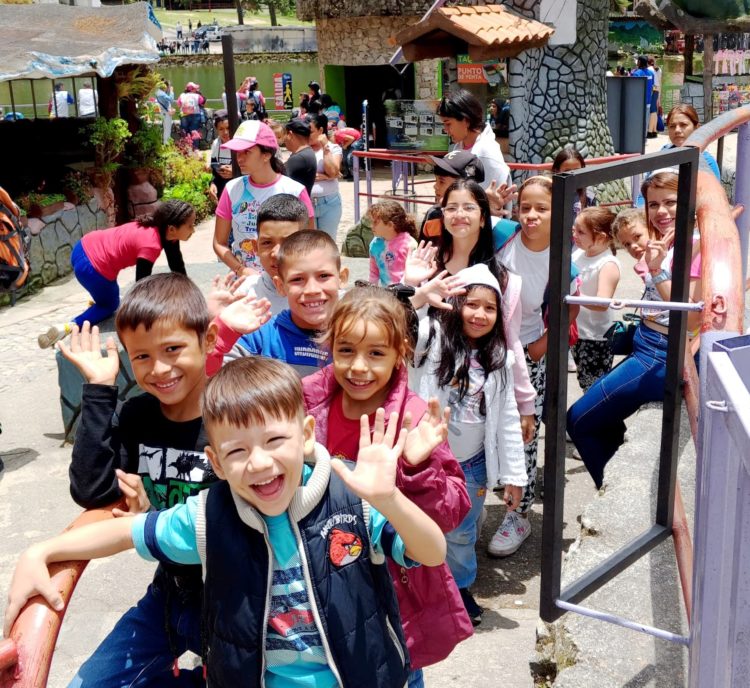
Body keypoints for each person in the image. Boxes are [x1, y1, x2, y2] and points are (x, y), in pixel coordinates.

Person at [3, 355, 448, 688]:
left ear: (307, 435)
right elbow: (125, 532)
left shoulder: (351, 496)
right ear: (214, 461)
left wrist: (389, 499)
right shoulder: (208, 518)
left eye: (275, 440)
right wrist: (42, 551)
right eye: (236, 451)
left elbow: (431, 552)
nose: (258, 463)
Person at [42, 274, 217, 687]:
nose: (158, 369)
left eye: (173, 349)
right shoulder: (139, 414)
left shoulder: (231, 414)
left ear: (207, 341)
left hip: (236, 598)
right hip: (170, 593)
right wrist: (100, 388)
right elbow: (93, 490)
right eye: (141, 357)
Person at [302, 285, 473, 685]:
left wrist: (415, 466)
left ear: (401, 353)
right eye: (345, 351)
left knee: (396, 671)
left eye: (376, 353)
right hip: (320, 577)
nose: (358, 367)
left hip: (391, 585)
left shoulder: (413, 417)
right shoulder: (305, 401)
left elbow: (451, 511)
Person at [403, 180, 537, 500]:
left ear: (483, 217)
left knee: (466, 505)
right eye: (451, 207)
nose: (459, 215)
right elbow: (395, 324)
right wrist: (410, 284)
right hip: (422, 397)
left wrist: (525, 404)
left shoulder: (504, 279)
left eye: (469, 207)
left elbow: (510, 343)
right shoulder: (423, 264)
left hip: (474, 407)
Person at [567, 172, 702, 488]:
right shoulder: (672, 240)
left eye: (671, 202)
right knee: (598, 409)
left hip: (660, 352)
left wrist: (655, 271)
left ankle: (614, 492)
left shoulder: (694, 246)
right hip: (648, 341)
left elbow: (692, 318)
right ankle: (624, 480)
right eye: (654, 204)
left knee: (579, 420)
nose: (661, 211)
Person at [411, 263, 526, 625]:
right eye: (471, 304)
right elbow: (399, 325)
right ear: (455, 305)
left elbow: (507, 419)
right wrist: (416, 296)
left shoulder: (500, 358)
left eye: (489, 308)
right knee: (422, 523)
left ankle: (458, 587)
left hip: (473, 464)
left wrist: (514, 476)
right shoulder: (430, 340)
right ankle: (423, 587)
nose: (479, 314)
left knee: (462, 531)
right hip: (430, 458)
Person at [494, 176, 579, 555]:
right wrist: (489, 205)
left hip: (526, 349)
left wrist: (539, 349)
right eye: (525, 206)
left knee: (523, 432)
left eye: (541, 208)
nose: (530, 215)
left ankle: (519, 514)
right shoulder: (502, 235)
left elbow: (571, 305)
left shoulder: (562, 255)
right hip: (484, 344)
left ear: (557, 212)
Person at [37, 201, 196, 349]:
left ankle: (99, 299)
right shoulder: (151, 245)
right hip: (92, 269)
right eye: (190, 226)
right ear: (172, 229)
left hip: (82, 247)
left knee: (107, 296)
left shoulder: (160, 229)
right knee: (110, 305)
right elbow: (141, 288)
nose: (193, 230)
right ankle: (69, 326)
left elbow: (177, 265)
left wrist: (188, 295)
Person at [207, 230, 347, 378]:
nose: (312, 290)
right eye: (297, 279)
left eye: (323, 276)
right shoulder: (260, 338)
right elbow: (209, 381)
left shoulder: (358, 334)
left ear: (342, 278)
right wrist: (220, 327)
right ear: (280, 286)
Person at [213, 119, 313, 275]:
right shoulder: (232, 189)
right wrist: (241, 270)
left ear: (266, 155)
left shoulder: (295, 191)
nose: (240, 158)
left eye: (247, 151)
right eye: (238, 152)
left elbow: (310, 242)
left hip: (286, 282)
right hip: (245, 285)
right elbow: (219, 242)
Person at [571, 207, 621, 391]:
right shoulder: (578, 253)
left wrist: (573, 296)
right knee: (585, 382)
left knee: (593, 389)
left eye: (581, 232)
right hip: (577, 331)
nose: (574, 234)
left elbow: (602, 303)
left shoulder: (608, 264)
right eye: (574, 229)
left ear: (600, 237)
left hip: (595, 337)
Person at [233, 193, 309, 314]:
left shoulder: (322, 295)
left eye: (288, 242)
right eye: (267, 243)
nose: (276, 253)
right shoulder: (245, 294)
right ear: (255, 247)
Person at [436, 89, 511, 191]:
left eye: (448, 123)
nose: (445, 129)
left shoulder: (486, 152)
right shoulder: (457, 147)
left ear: (466, 120)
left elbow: (494, 198)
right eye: (443, 124)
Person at [308, 113, 344, 243]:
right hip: (307, 203)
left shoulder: (334, 148)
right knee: (310, 244)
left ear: (321, 130)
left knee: (328, 243)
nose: (306, 134)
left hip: (330, 203)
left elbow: (334, 172)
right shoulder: (303, 149)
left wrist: (325, 147)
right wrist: (325, 176)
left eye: (310, 131)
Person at [366, 200, 418, 286]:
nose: (372, 226)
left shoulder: (408, 244)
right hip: (387, 294)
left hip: (406, 292)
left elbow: (415, 272)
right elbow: (374, 272)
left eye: (375, 222)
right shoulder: (375, 244)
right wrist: (371, 291)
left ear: (390, 225)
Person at [663, 104, 721, 179]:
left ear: (696, 128)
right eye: (672, 126)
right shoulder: (664, 152)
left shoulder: (707, 163)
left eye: (683, 125)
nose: (677, 130)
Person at [551, 145, 597, 215]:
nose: (572, 175)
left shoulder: (589, 197)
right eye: (567, 171)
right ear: (557, 171)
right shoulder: (549, 195)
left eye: (577, 171)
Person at [284, 118, 318, 195]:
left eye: (285, 134)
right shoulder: (306, 153)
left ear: (290, 134)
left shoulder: (299, 158)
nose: (284, 139)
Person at [208, 110, 234, 204]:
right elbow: (215, 170)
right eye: (221, 129)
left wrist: (235, 172)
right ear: (216, 130)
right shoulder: (216, 144)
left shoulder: (242, 144)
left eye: (228, 128)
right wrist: (213, 184)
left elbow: (253, 172)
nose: (225, 132)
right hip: (224, 192)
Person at [631, 56, 654, 137]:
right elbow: (652, 86)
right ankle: (644, 137)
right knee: (645, 120)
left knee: (637, 120)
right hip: (648, 101)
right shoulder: (651, 73)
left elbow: (633, 88)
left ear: (639, 62)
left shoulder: (636, 74)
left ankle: (636, 138)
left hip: (638, 102)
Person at [176, 82, 205, 147]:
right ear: (192, 89)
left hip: (184, 115)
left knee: (184, 131)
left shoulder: (182, 95)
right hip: (195, 115)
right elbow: (202, 101)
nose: (196, 90)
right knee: (194, 131)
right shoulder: (197, 95)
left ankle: (186, 146)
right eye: (195, 88)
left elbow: (178, 104)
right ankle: (195, 147)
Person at [155, 80, 175, 145]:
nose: (169, 88)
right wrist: (172, 91)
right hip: (165, 113)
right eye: (169, 86)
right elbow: (171, 99)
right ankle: (166, 145)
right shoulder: (162, 94)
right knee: (167, 129)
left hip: (163, 112)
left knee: (165, 129)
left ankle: (165, 143)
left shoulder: (158, 92)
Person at [647, 56, 662, 138]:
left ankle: (650, 131)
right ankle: (654, 130)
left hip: (652, 90)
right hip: (657, 90)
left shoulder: (649, 70)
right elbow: (660, 82)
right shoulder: (658, 69)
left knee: (652, 111)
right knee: (654, 111)